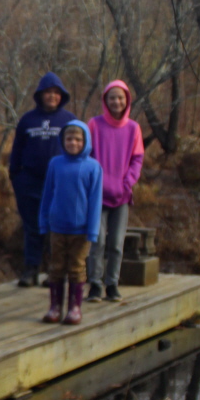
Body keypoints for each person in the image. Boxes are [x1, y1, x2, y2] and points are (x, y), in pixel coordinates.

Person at [8, 73, 73, 286]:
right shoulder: (27, 120)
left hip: (59, 183)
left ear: (60, 95)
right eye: (48, 92)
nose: (52, 96)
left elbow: (80, 150)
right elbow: (16, 152)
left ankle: (54, 272)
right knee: (32, 227)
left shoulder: (69, 120)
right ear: (40, 95)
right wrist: (16, 178)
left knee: (56, 227)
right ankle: (30, 270)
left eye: (56, 92)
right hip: (30, 182)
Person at [38, 120, 102, 326]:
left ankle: (75, 308)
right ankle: (55, 306)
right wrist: (43, 221)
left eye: (77, 139)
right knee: (56, 267)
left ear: (85, 141)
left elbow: (95, 201)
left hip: (81, 230)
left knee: (76, 267)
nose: (73, 143)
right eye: (69, 139)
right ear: (62, 140)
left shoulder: (93, 167)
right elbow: (47, 194)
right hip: (57, 226)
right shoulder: (55, 164)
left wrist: (93, 230)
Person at [87, 80, 145, 302]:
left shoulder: (133, 128)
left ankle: (112, 284)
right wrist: (94, 182)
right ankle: (94, 284)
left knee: (116, 243)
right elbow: (86, 154)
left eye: (120, 97)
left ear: (127, 100)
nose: (116, 101)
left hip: (121, 195)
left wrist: (127, 183)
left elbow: (137, 159)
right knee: (97, 241)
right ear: (105, 100)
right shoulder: (94, 124)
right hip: (97, 194)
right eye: (112, 97)